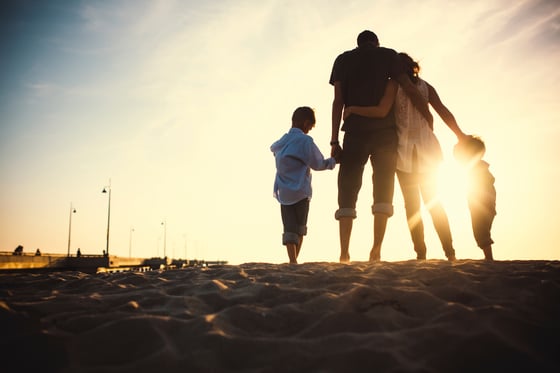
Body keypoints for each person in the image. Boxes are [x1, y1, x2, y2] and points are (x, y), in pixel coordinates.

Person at [344, 53, 467, 261]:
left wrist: (353, 109)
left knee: (412, 206)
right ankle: (450, 253)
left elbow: (381, 111)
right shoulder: (426, 86)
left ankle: (421, 254)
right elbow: (443, 112)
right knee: (434, 203)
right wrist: (460, 135)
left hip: (404, 154)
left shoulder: (393, 86)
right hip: (429, 151)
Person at [329, 30, 433, 263]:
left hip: (354, 132)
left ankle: (344, 251)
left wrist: (334, 140)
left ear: (358, 44)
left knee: (347, 188)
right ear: (376, 43)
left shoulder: (343, 59)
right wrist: (427, 116)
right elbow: (408, 88)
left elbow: (338, 101)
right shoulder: (389, 55)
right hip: (385, 134)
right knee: (383, 187)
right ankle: (376, 249)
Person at [271, 106, 338, 264]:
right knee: (300, 227)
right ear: (306, 123)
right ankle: (294, 261)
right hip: (301, 191)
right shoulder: (305, 141)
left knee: (289, 227)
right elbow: (317, 163)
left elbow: (273, 149)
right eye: (310, 127)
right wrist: (333, 161)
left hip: (284, 191)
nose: (309, 131)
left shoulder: (281, 142)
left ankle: (292, 260)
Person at [453, 135, 496, 260]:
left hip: (481, 205)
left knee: (481, 232)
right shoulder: (477, 166)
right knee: (482, 231)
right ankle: (488, 257)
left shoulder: (475, 167)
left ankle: (489, 258)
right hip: (484, 204)